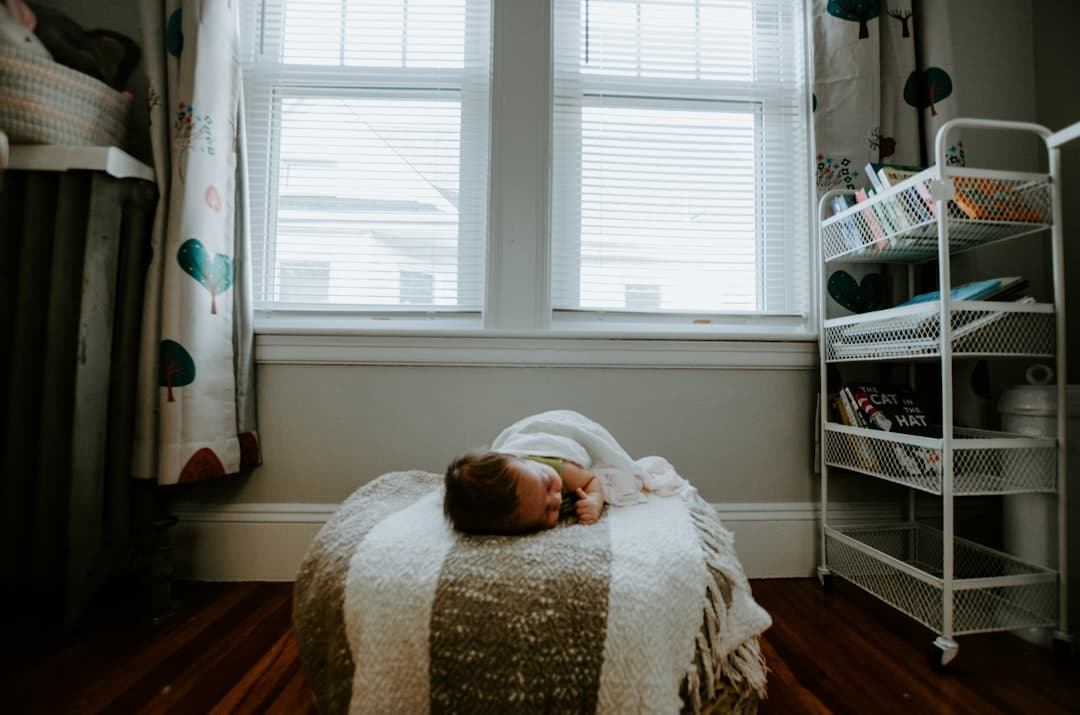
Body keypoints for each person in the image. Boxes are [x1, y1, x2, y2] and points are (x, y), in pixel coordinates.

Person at [443, 451, 605, 534]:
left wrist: (594, 501)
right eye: (546, 511)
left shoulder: (561, 470)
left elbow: (591, 480)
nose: (556, 499)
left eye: (548, 485)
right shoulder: (521, 513)